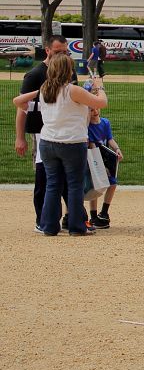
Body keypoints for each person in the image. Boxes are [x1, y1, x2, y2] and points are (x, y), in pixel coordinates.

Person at [14, 52, 108, 235]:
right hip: (72, 142)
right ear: (68, 70)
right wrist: (100, 86)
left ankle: (48, 226)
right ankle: (76, 226)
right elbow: (101, 103)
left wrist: (37, 91)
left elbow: (18, 101)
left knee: (53, 185)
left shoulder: (45, 90)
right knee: (74, 185)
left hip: (48, 142)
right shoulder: (72, 90)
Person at [16, 35, 73, 231]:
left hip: (64, 133)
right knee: (44, 178)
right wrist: (20, 137)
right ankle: (42, 219)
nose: (62, 55)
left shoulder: (68, 72)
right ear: (47, 50)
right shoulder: (35, 75)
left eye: (65, 51)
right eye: (58, 52)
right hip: (41, 132)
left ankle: (68, 217)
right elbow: (21, 107)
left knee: (66, 179)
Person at [85, 109, 122, 229]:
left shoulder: (105, 122)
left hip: (106, 158)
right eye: (91, 110)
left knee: (113, 184)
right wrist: (100, 167)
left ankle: (104, 212)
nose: (95, 111)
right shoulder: (87, 126)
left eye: (96, 108)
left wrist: (116, 149)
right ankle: (94, 216)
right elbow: (92, 146)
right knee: (96, 186)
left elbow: (109, 139)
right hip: (94, 159)